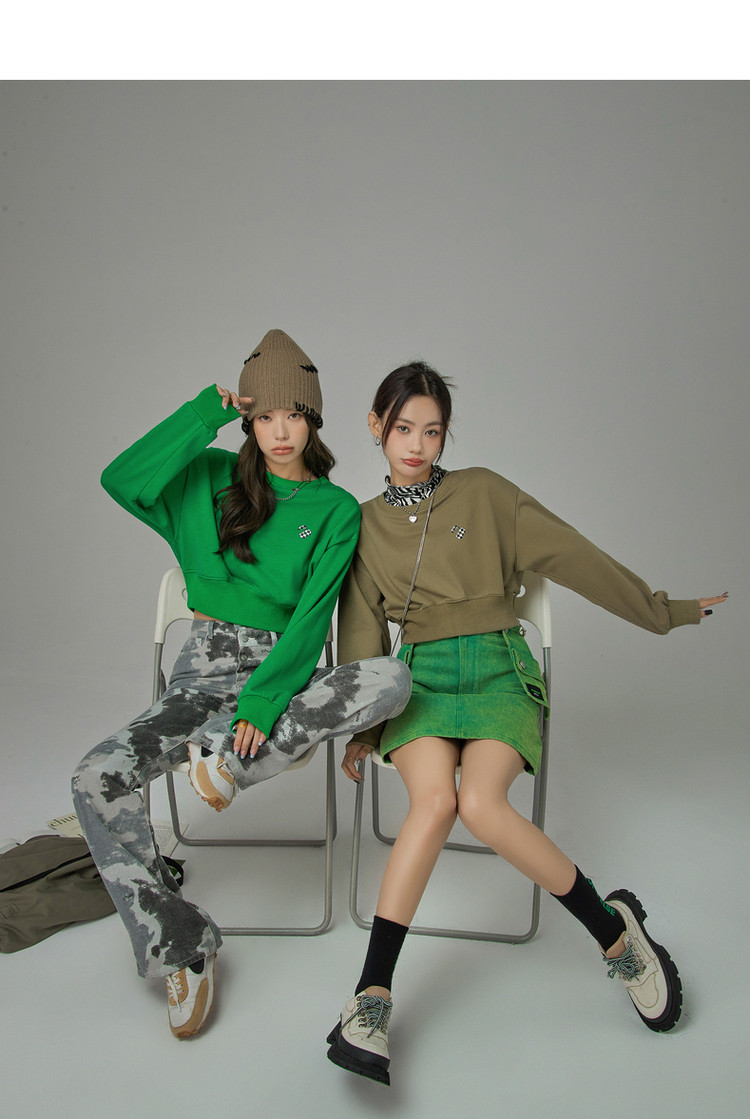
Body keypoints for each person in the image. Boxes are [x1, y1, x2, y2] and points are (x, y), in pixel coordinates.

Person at [326, 360, 728, 1086]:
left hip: (498, 670)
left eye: (432, 431)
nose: (416, 444)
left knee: (482, 805)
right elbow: (359, 633)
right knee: (434, 802)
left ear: (447, 435)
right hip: (417, 681)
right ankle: (370, 997)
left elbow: (573, 554)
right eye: (404, 428)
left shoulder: (484, 491)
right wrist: (361, 727)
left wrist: (662, 610)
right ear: (376, 426)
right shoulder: (361, 525)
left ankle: (617, 938)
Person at [72, 329, 410, 1040]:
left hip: (279, 675)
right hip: (198, 677)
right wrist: (204, 413)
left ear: (314, 420)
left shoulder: (335, 510)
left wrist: (261, 700)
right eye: (266, 416)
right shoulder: (209, 476)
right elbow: (120, 479)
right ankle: (182, 945)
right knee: (94, 777)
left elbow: (313, 620)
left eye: (295, 415)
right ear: (249, 420)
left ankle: (227, 764)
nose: (280, 431)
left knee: (391, 677)